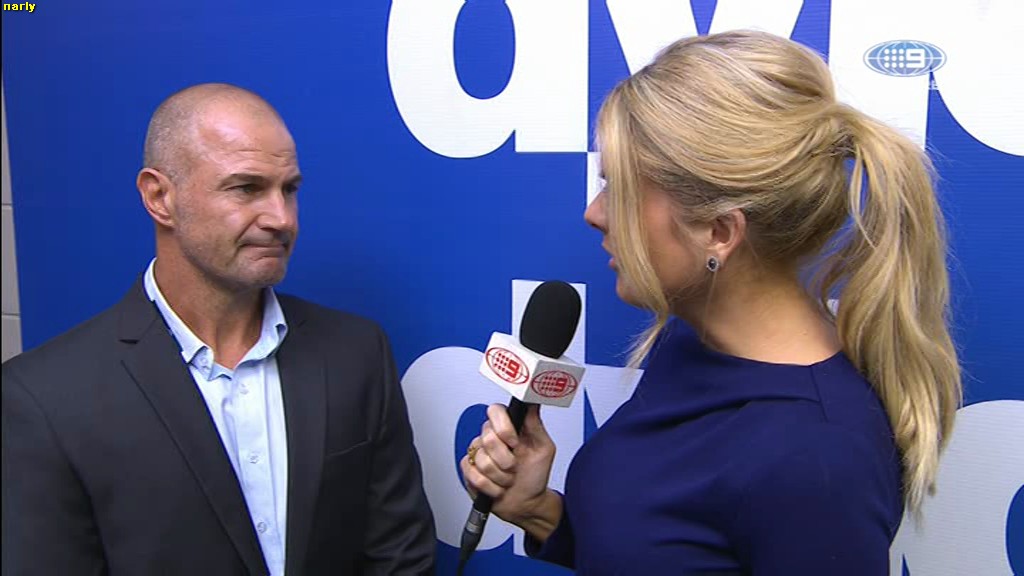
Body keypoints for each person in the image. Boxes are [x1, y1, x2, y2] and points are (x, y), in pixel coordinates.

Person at [461, 30, 962, 574]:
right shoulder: (693, 338)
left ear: (718, 233)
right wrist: (538, 512)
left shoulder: (816, 457)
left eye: (619, 190)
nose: (595, 214)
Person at [2, 83, 436, 575]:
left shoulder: (355, 352)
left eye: (289, 189)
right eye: (246, 188)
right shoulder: (45, 399)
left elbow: (398, 556)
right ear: (159, 197)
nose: (281, 218)